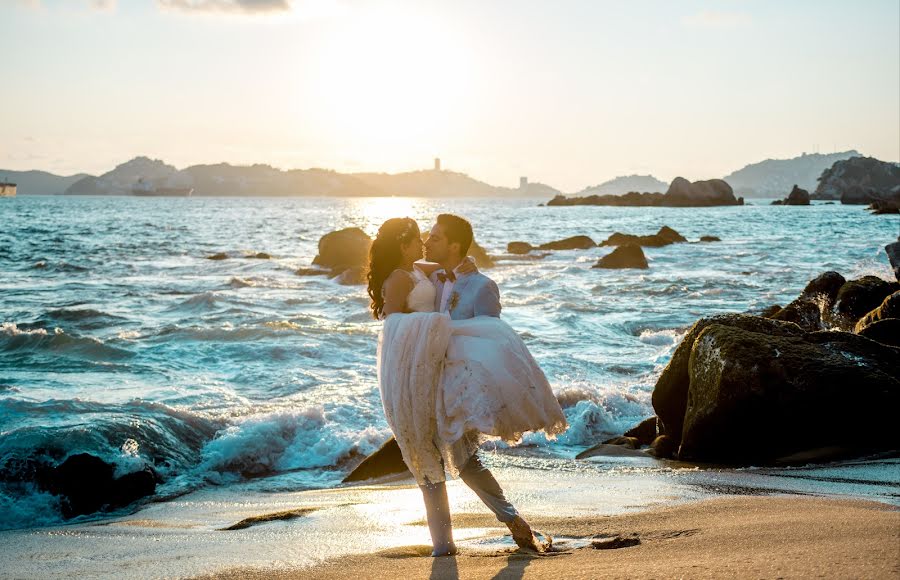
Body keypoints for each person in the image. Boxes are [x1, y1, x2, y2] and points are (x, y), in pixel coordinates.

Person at [367, 215, 567, 557]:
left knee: (465, 459)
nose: (427, 243)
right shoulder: (423, 272)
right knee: (435, 461)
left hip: (459, 384)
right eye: (422, 238)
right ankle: (447, 544)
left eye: (434, 237)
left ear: (454, 245)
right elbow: (395, 318)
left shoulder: (479, 285)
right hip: (425, 380)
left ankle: (508, 522)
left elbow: (491, 342)